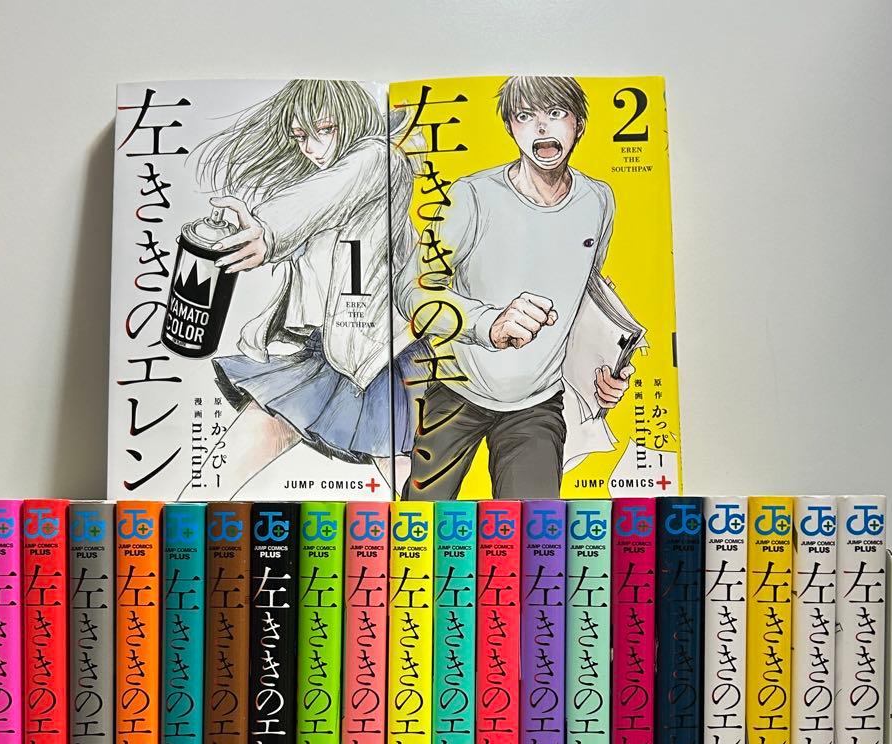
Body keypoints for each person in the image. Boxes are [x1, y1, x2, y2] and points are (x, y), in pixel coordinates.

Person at [396, 75, 634, 500]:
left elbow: (586, 297)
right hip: (456, 390)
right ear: (510, 127)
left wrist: (602, 369)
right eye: (525, 116)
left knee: (536, 530)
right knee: (419, 523)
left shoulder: (599, 200)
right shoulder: (470, 196)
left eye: (556, 113)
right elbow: (412, 290)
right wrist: (488, 324)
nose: (541, 127)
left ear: (578, 124)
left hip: (538, 403)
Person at [185, 79, 422, 499]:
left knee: (413, 493)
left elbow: (322, 196)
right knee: (219, 475)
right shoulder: (324, 181)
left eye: (324, 130)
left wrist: (268, 229)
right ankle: (176, 529)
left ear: (353, 119)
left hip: (383, 356)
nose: (310, 148)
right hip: (327, 353)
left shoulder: (378, 158)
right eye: (300, 136)